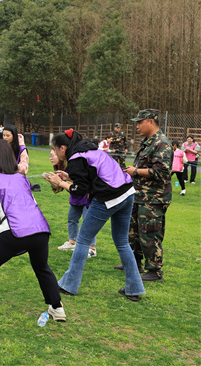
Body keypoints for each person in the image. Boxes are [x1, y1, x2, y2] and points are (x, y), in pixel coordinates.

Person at [0, 140, 66, 330]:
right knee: (42, 267)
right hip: (40, 229)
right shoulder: (20, 177)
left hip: (15, 230)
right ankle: (57, 308)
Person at [47, 128, 145, 301]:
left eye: (54, 150)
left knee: (83, 241)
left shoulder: (75, 158)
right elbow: (91, 175)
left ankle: (69, 285)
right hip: (127, 193)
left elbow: (79, 191)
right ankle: (134, 289)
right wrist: (69, 177)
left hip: (108, 197)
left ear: (63, 148)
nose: (54, 153)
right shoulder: (89, 150)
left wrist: (60, 182)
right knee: (122, 242)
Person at [123, 109, 173, 282]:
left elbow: (162, 172)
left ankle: (155, 271)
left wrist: (135, 171)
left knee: (150, 233)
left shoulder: (162, 143)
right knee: (134, 232)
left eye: (140, 122)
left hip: (154, 198)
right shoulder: (148, 142)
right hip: (140, 195)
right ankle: (134, 263)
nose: (137, 126)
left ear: (151, 122)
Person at [45, 148, 97, 258]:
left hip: (86, 195)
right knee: (72, 219)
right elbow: (60, 188)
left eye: (52, 155)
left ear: (60, 154)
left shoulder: (72, 164)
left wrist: (61, 182)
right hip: (75, 197)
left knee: (88, 222)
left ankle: (91, 248)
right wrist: (53, 182)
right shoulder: (59, 168)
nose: (50, 158)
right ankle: (72, 242)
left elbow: (78, 184)